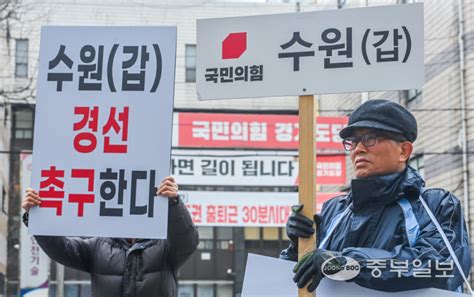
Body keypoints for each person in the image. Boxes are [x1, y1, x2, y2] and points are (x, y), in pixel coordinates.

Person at [281, 99, 471, 292]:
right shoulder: (334, 210)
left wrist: (347, 264)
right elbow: (299, 279)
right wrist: (298, 247)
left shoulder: (436, 205)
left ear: (404, 151)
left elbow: (441, 268)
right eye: (353, 141)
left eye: (370, 138)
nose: (358, 149)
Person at [22, 176, 199, 297]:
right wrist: (37, 218)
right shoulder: (98, 246)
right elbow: (61, 249)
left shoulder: (165, 247)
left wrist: (173, 203)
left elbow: (187, 240)